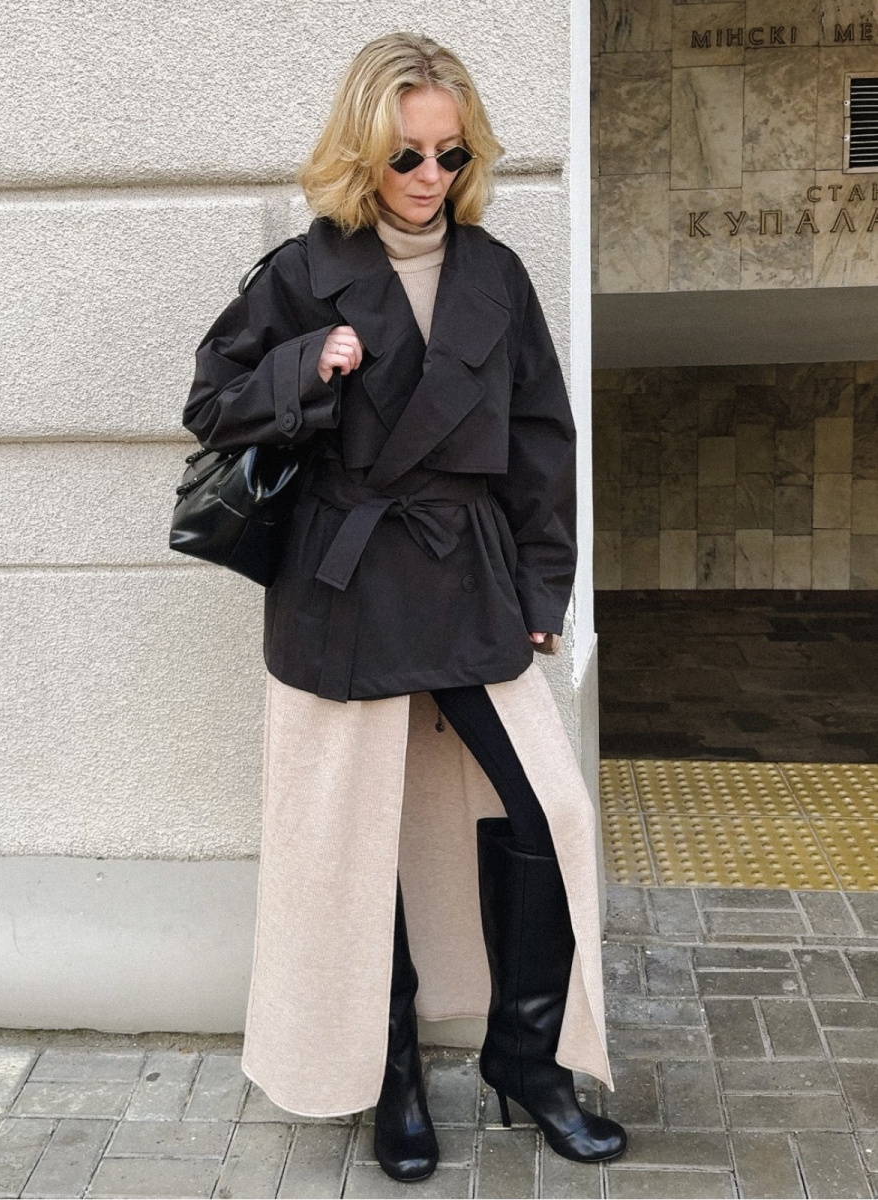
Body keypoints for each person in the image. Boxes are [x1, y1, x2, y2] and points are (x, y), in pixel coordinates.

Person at [182, 31, 627, 1183]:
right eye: (407, 156)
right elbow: (211, 402)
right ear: (362, 153)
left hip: (470, 571)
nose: (431, 177)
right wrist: (304, 367)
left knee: (551, 810)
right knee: (350, 840)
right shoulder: (303, 270)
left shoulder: (496, 275)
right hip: (344, 584)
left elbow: (543, 442)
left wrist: (542, 587)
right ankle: (391, 1078)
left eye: (451, 154)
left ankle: (527, 1062)